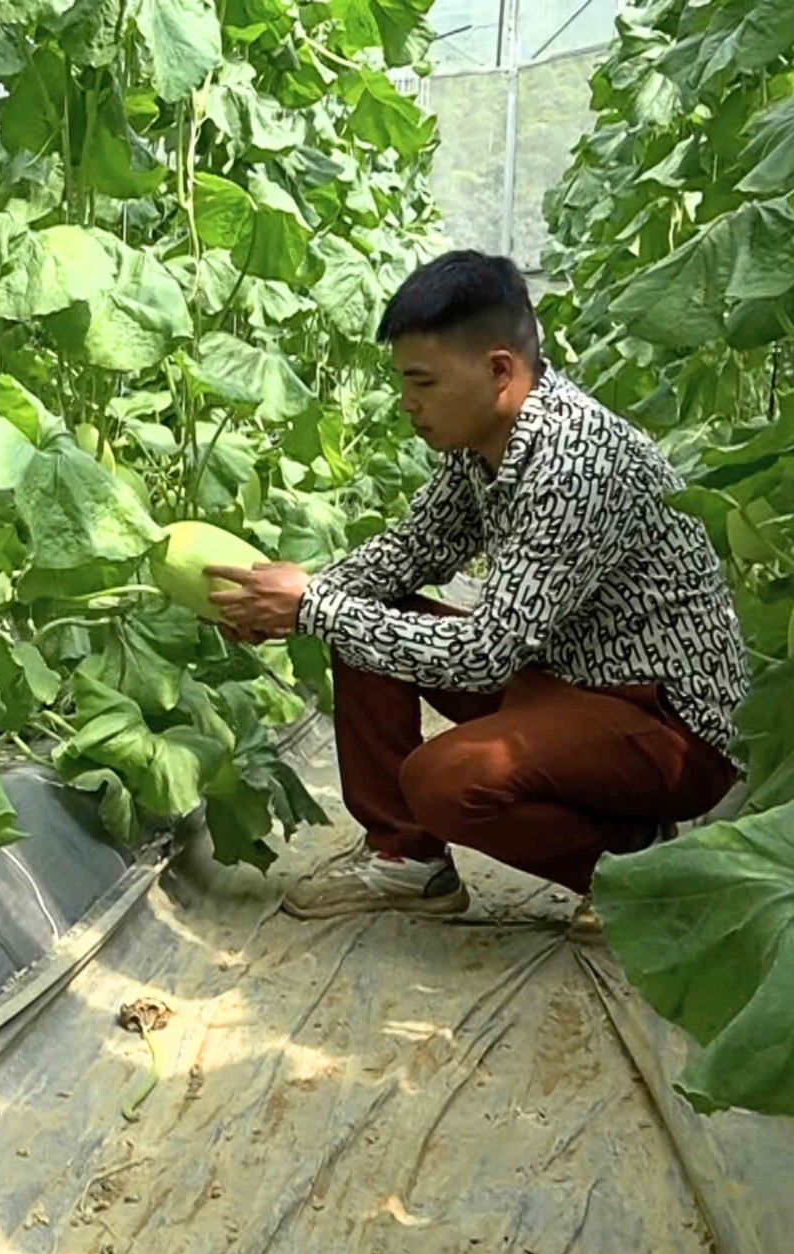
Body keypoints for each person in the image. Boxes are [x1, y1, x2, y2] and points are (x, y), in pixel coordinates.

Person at [204, 250, 750, 936]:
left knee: (446, 778)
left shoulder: (573, 464)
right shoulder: (484, 441)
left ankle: (638, 868)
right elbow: (411, 551)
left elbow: (487, 654)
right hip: (575, 687)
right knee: (371, 617)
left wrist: (315, 605)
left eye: (423, 382)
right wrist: (283, 605)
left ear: (499, 370)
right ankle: (409, 862)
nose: (408, 402)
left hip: (668, 725)